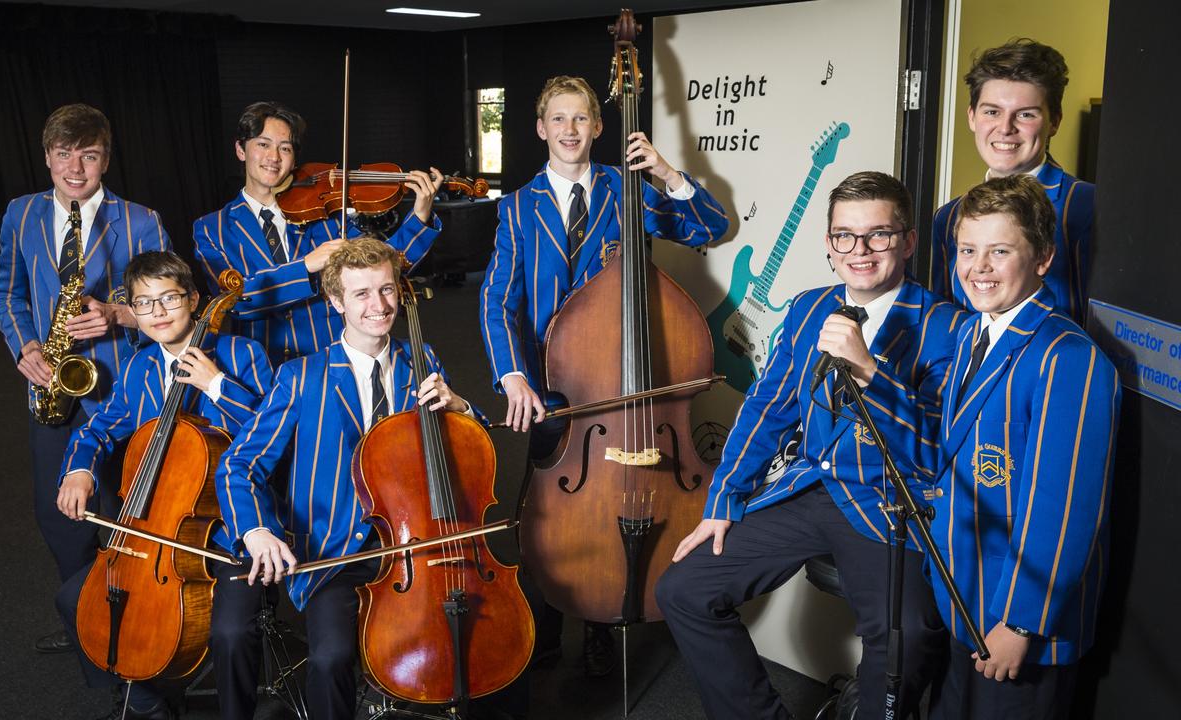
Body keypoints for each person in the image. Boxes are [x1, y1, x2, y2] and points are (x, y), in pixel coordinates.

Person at [656, 172, 966, 719]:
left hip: (887, 504)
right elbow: (767, 410)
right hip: (809, 487)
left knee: (908, 640)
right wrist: (724, 500)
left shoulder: (947, 326)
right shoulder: (806, 309)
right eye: (844, 235)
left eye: (879, 235)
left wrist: (870, 371)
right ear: (828, 243)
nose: (860, 250)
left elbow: (937, 448)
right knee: (683, 589)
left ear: (909, 241)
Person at [478, 74, 729, 676]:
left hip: (626, 383)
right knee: (543, 506)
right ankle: (545, 622)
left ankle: (599, 624)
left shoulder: (629, 190)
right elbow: (495, 300)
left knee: (609, 498)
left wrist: (668, 174)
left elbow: (709, 229)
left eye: (581, 119)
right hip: (552, 386)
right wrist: (512, 375)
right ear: (541, 129)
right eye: (558, 119)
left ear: (599, 127)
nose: (569, 130)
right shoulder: (517, 207)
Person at [216, 237, 483, 719]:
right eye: (361, 294)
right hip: (335, 555)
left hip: (417, 547)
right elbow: (240, 464)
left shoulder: (422, 362)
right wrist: (256, 532)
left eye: (386, 290)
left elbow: (474, 448)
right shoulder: (301, 376)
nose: (378, 306)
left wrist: (461, 405)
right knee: (330, 657)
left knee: (466, 644)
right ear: (336, 301)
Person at [927, 174, 1119, 720]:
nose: (978, 267)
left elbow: (1064, 514)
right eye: (968, 249)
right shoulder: (971, 334)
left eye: (1000, 250)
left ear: (1042, 258)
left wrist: (1020, 622)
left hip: (1018, 621)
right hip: (965, 598)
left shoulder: (1068, 359)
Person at [52, 250, 273, 720]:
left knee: (231, 633)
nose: (158, 313)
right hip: (155, 533)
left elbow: (275, 433)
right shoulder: (140, 367)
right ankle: (150, 703)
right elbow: (97, 430)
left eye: (169, 299)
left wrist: (217, 386)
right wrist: (79, 470)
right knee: (73, 598)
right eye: (144, 303)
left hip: (230, 532)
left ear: (194, 299)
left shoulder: (241, 355)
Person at [0, 103, 170, 655]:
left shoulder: (140, 220)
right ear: (47, 157)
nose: (75, 167)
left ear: (105, 160)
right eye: (64, 154)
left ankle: (141, 623)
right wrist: (26, 345)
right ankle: (87, 613)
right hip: (52, 386)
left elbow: (169, 306)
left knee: (124, 507)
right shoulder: (21, 214)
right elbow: (7, 292)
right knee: (58, 515)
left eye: (88, 155)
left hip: (122, 390)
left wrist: (119, 314)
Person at [194, 101, 444, 366]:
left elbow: (386, 266)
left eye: (285, 148)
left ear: (294, 160)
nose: (274, 157)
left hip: (331, 364)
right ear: (241, 150)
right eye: (263, 144)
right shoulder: (212, 228)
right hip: (261, 369)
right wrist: (306, 266)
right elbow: (239, 303)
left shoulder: (327, 218)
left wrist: (420, 216)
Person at [928, 39, 1094, 325]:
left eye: (1026, 114)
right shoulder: (948, 217)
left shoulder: (1089, 206)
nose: (1005, 128)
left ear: (1054, 121)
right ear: (972, 117)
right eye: (992, 112)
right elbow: (948, 324)